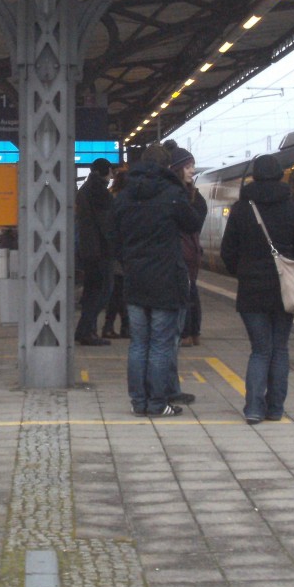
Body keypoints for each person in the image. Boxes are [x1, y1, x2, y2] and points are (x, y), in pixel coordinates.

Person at [220, 153, 294, 425]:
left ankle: (253, 409)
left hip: (251, 289)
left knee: (260, 349)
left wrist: (242, 272)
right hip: (286, 289)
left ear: (254, 176)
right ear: (280, 175)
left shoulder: (241, 209)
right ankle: (275, 409)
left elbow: (228, 251)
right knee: (280, 348)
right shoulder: (291, 209)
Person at [111, 143, 204, 417]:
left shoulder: (125, 195)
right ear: (166, 167)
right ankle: (157, 403)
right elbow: (192, 224)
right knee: (161, 344)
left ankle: (138, 402)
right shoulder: (172, 194)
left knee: (138, 343)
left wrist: (128, 259)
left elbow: (112, 235)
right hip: (165, 278)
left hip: (135, 278)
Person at [164, 140, 207, 348]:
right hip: (189, 253)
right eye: (188, 167)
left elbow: (192, 223)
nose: (192, 170)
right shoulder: (190, 195)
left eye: (192, 166)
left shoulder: (184, 195)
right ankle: (191, 332)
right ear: (178, 169)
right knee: (190, 293)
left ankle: (187, 332)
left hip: (183, 253)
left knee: (186, 294)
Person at [75, 158, 115, 346]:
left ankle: (86, 330)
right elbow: (106, 224)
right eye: (110, 171)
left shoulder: (85, 189)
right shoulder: (99, 192)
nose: (112, 175)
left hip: (88, 249)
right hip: (100, 251)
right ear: (105, 171)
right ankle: (86, 331)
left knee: (92, 291)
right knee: (101, 292)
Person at [101, 166, 129, 339]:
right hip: (121, 252)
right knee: (120, 292)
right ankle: (113, 326)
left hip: (113, 251)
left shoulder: (112, 197)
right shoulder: (124, 201)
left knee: (118, 292)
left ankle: (116, 326)